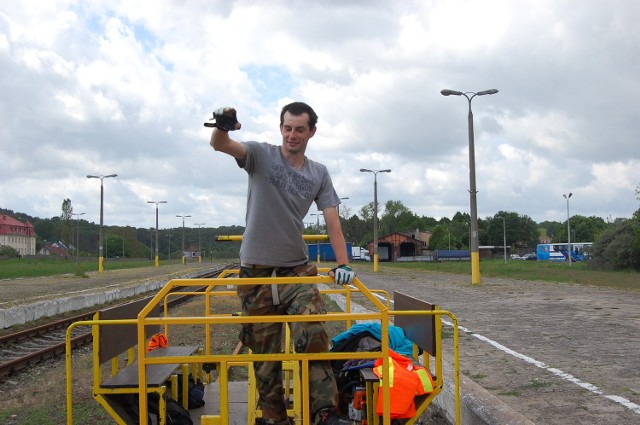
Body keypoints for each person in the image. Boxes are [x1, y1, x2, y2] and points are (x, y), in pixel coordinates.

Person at [208, 102, 355, 425]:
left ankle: (325, 414)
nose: (292, 135)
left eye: (299, 129)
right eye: (287, 128)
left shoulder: (318, 173)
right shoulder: (260, 155)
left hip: (295, 270)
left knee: (313, 337)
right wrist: (223, 126)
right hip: (255, 273)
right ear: (281, 129)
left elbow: (332, 220)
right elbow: (220, 145)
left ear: (311, 132)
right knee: (265, 357)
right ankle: (276, 420)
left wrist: (343, 263)